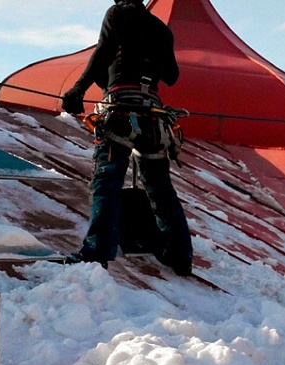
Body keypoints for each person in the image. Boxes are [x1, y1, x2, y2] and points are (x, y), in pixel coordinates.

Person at [60, 0, 192, 276]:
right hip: (152, 118)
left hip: (120, 111)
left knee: (106, 182)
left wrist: (78, 89)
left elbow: (105, 50)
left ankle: (96, 252)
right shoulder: (161, 29)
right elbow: (172, 76)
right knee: (160, 187)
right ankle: (179, 254)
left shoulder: (117, 14)